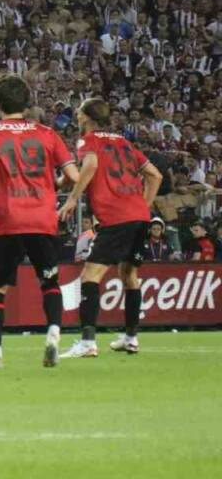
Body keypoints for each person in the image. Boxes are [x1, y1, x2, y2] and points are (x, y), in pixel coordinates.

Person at [0, 75, 79, 370]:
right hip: (42, 217)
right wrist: (53, 186)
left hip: (7, 218)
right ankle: (53, 333)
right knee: (50, 282)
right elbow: (73, 176)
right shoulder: (48, 133)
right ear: (27, 104)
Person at [58, 98, 162, 357]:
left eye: (79, 113)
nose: (77, 117)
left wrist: (72, 199)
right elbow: (155, 176)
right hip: (138, 217)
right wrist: (142, 207)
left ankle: (87, 342)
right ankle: (130, 338)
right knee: (129, 276)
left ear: (86, 118)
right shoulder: (124, 142)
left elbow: (91, 165)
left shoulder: (88, 140)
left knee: (89, 277)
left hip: (115, 218)